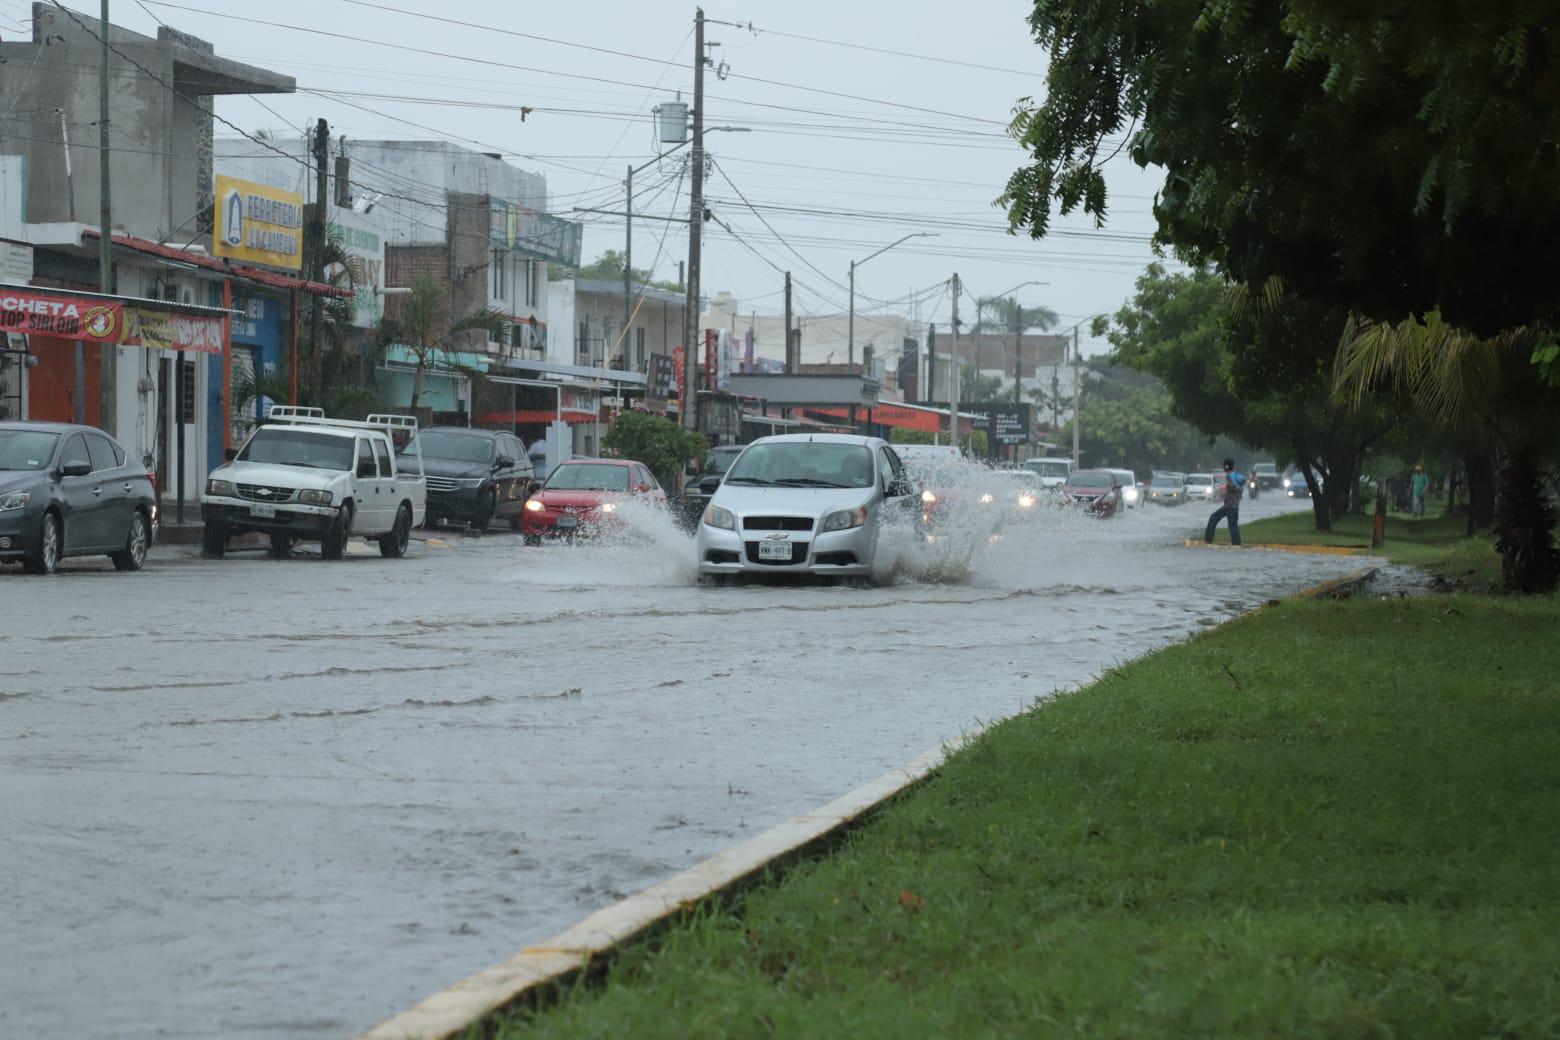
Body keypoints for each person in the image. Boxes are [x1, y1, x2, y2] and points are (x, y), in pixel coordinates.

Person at [1205, 458, 1246, 546]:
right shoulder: (1238, 477)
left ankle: (1207, 540)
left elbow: (1231, 487)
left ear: (1226, 466)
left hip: (1229, 507)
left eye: (1224, 466)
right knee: (1233, 526)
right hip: (1235, 507)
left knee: (1213, 518)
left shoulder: (1230, 476)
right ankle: (1237, 544)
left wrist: (1227, 489)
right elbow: (1238, 490)